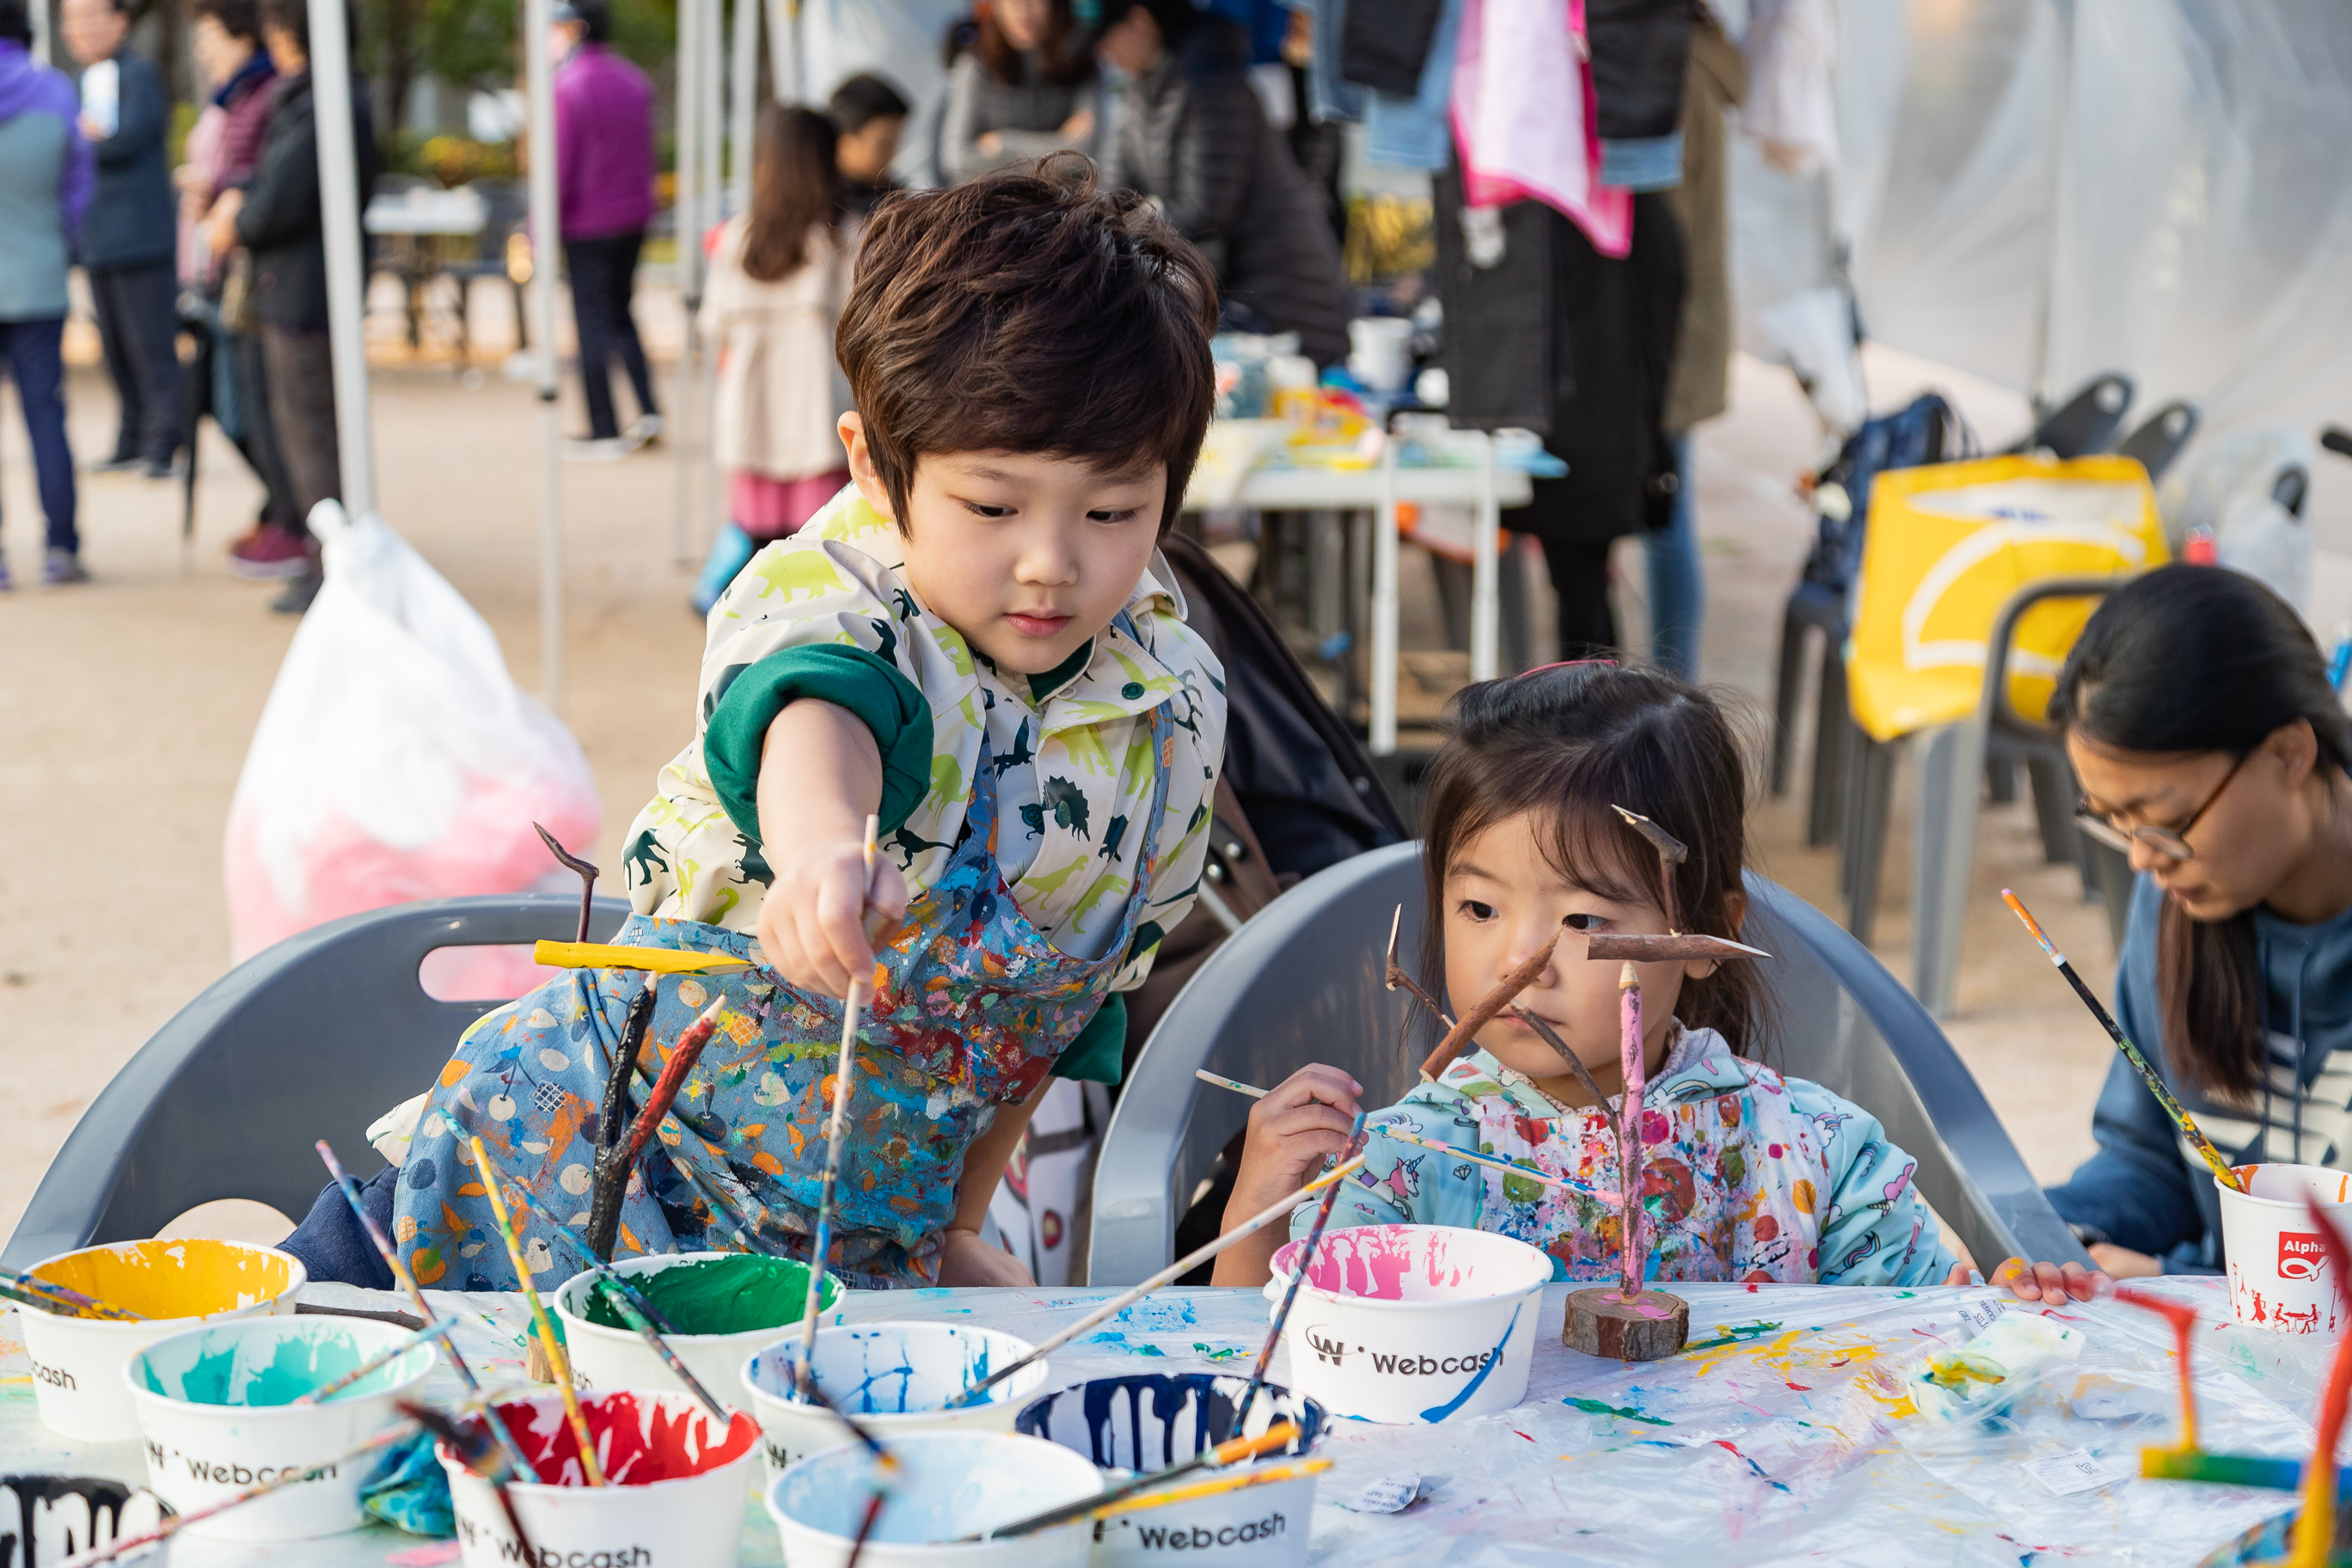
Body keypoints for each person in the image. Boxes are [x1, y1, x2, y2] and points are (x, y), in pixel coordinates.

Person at [279, 160, 1228, 1293]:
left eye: (1113, 511)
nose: (1051, 562)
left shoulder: (1172, 718)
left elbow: (1056, 1028)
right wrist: (825, 850)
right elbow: (817, 709)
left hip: (844, 1244)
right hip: (577, 1143)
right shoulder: (833, 589)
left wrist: (958, 1226)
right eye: (992, 505)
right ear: (877, 466)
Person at [1211, 663, 2106, 1304]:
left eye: (1587, 922)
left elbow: (1933, 1340)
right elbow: (1265, 1365)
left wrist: (2014, 1310)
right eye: (1479, 909)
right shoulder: (1410, 1164)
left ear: (1708, 937)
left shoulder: (1812, 1155)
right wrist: (1257, 1205)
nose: (1520, 961)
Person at [2045, 567, 2352, 1280]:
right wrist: (2056, 1233)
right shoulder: (2181, 905)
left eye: (2169, 822)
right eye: (2114, 824)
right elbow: (2153, 1158)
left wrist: (2179, 1286)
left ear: (2289, 753)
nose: (2145, 863)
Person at [228, 0, 377, 613]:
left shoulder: (322, 104)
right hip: (303, 289)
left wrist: (239, 214)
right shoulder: (324, 98)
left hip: (301, 292)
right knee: (308, 432)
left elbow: (274, 205)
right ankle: (330, 560)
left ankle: (332, 567)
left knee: (310, 435)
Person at [1098, 0, 1348, 366]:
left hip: (1282, 308)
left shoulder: (1213, 86)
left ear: (1140, 20)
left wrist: (1131, 225)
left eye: (1105, 37)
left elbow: (1206, 211)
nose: (1102, 52)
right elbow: (1113, 194)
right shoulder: (1142, 88)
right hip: (1234, 305)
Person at [689, 104, 853, 616]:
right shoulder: (842, 238)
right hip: (817, 419)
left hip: (753, 416)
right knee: (821, 553)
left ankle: (747, 626)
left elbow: (712, 324)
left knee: (761, 546)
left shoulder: (736, 237)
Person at [181, 0, 304, 580]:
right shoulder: (238, 95)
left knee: (253, 406)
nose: (202, 48)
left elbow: (264, 182)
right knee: (240, 401)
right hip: (232, 267)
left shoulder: (265, 94)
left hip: (257, 271)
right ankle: (280, 509)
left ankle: (291, 518)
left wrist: (224, 192)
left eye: (209, 35)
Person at [61, 0, 178, 481]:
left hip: (140, 236)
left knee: (150, 345)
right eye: (75, 18)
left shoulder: (139, 75)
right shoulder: (79, 82)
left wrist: (82, 141)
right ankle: (131, 437)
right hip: (100, 240)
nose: (84, 28)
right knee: (114, 347)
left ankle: (163, 441)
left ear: (120, 20)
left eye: (93, 16)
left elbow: (127, 137)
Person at [0, 0, 91, 588]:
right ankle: (61, 547)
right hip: (39, 280)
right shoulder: (56, 93)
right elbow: (79, 189)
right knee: (46, 416)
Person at [549, 0, 658, 460]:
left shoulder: (568, 86)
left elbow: (560, 165)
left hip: (587, 224)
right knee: (621, 313)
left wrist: (540, 227)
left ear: (575, 28)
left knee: (591, 320)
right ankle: (650, 410)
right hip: (633, 217)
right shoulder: (635, 81)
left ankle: (603, 425)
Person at [939, 0, 1098, 187]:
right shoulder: (975, 66)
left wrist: (1001, 144)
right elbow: (955, 160)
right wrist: (1062, 144)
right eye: (1012, 2)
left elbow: (1089, 156)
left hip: (1061, 208)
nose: (1024, 11)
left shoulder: (1079, 62)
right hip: (991, 206)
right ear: (995, 6)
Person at [828, 71, 909, 225]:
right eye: (883, 145)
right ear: (844, 141)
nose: (893, 154)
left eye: (896, 143)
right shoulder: (828, 214)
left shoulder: (893, 196)